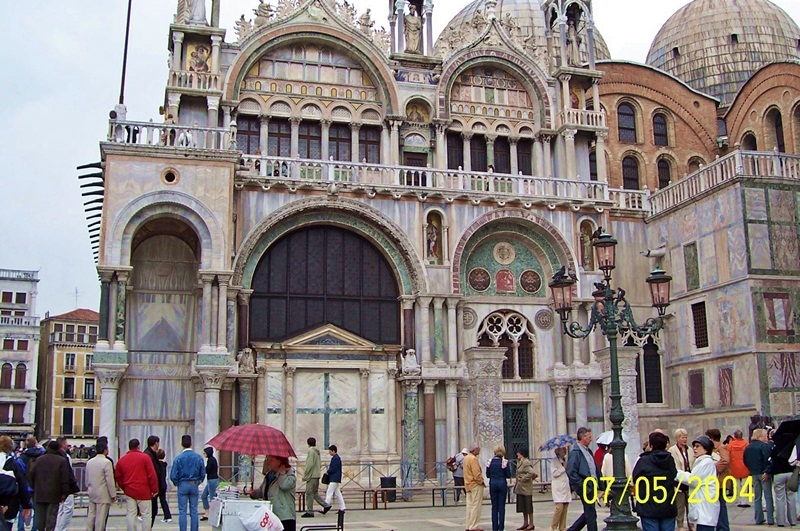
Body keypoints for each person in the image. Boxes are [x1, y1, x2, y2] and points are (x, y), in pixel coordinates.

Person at [632, 431, 678, 531]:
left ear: (651, 445)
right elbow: (674, 475)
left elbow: (635, 478)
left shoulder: (644, 460)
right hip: (668, 505)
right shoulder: (669, 459)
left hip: (648, 506)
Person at [676, 436, 719, 531]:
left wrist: (676, 473)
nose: (694, 448)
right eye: (694, 446)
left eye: (698, 446)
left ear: (705, 449)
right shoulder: (702, 462)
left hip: (705, 507)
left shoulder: (706, 462)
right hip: (703, 507)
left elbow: (693, 480)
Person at [115, 438, 159, 531]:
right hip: (144, 491)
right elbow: (152, 475)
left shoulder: (122, 460)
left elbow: (118, 476)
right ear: (138, 446)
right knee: (146, 515)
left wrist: (124, 487)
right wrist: (154, 489)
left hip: (129, 490)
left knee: (131, 514)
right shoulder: (145, 457)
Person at [27, 440, 70, 531]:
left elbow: (30, 474)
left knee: (40, 518)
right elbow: (65, 479)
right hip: (54, 493)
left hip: (39, 493)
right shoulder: (62, 461)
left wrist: (34, 486)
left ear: (48, 448)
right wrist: (64, 493)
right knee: (51, 518)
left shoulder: (39, 459)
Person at [170, 435, 206, 531]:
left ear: (181, 444)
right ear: (191, 443)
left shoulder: (178, 458)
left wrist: (178, 483)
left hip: (183, 484)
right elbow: (203, 473)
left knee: (182, 511)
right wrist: (198, 481)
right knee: (194, 511)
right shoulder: (198, 457)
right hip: (193, 483)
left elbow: (173, 475)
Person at [566, 427, 599, 531]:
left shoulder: (588, 450)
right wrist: (582, 485)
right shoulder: (576, 452)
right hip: (585, 486)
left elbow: (594, 468)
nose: (591, 439)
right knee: (591, 514)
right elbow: (571, 471)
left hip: (591, 486)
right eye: (589, 437)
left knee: (589, 512)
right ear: (583, 437)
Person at [763, 433, 797, 528]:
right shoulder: (792, 447)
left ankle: (781, 521)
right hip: (790, 473)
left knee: (779, 498)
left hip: (778, 474)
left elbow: (771, 461)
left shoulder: (775, 448)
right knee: (791, 497)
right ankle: (793, 520)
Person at [0, 435, 32, 531]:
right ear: (10, 447)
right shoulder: (13, 464)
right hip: (9, 503)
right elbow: (22, 485)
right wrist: (26, 505)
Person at [743, 428, 773, 525]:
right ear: (760, 437)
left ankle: (758, 518)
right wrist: (767, 471)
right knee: (768, 496)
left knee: (757, 497)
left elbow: (745, 460)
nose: (766, 438)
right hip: (764, 473)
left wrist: (751, 470)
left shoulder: (748, 447)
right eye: (765, 436)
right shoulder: (764, 446)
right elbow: (768, 459)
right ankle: (770, 518)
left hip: (754, 474)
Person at [668, 428, 696, 531]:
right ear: (677, 438)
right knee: (680, 505)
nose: (684, 439)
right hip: (679, 481)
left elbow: (693, 462)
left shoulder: (690, 449)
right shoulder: (672, 450)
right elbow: (675, 465)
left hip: (690, 480)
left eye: (685, 437)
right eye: (682, 437)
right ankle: (680, 525)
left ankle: (691, 524)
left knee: (691, 504)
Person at [85, 441, 117, 531]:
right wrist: (113, 494)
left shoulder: (90, 462)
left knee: (91, 515)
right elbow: (109, 480)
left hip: (92, 491)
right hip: (103, 493)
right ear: (105, 450)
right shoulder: (106, 462)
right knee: (101, 518)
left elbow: (87, 478)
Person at [704, 428, 730, 531]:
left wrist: (713, 468)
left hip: (720, 481)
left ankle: (723, 527)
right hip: (716, 481)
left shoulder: (721, 447)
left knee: (721, 505)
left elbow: (725, 461)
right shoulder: (714, 448)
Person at [17, 437, 43, 531]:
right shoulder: (41, 455)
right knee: (37, 510)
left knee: (23, 509)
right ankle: (34, 528)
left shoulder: (22, 457)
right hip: (37, 486)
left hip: (25, 486)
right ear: (35, 444)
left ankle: (20, 528)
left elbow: (19, 472)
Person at [53, 437, 78, 531]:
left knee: (60, 509)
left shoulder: (55, 455)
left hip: (57, 486)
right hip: (66, 486)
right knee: (68, 509)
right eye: (66, 442)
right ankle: (62, 528)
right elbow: (68, 472)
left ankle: (57, 527)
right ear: (63, 444)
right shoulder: (66, 457)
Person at [300, 438, 330, 518]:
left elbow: (309, 464)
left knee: (309, 493)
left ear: (308, 443)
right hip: (316, 475)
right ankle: (326, 505)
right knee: (315, 493)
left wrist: (305, 475)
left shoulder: (311, 451)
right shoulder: (317, 452)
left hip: (312, 475)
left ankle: (309, 511)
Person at [266, 455, 296, 531]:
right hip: (272, 515)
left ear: (279, 461)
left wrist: (282, 472)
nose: (268, 462)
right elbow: (263, 490)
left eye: (271, 459)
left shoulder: (289, 475)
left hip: (285, 516)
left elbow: (284, 485)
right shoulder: (270, 475)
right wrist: (254, 493)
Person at [486, 445, 511, 531]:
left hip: (493, 484)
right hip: (502, 484)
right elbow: (508, 475)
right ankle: (501, 527)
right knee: (501, 506)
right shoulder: (505, 462)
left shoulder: (490, 461)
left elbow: (487, 475)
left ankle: (494, 527)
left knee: (494, 506)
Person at [463, 444, 485, 531]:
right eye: (478, 449)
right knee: (476, 506)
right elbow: (476, 474)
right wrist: (481, 481)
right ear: (475, 450)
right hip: (475, 485)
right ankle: (474, 526)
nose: (479, 450)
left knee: (470, 506)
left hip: (468, 484)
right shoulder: (473, 459)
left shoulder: (466, 458)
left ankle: (468, 525)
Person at [513, 448, 536, 531]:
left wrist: (523, 478)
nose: (517, 454)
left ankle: (531, 523)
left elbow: (531, 472)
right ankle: (525, 522)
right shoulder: (519, 461)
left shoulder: (526, 462)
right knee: (523, 506)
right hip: (520, 487)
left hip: (526, 487)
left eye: (518, 453)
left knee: (528, 506)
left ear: (522, 453)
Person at [726, 430, 749, 508]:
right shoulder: (746, 444)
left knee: (736, 485)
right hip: (744, 466)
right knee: (745, 484)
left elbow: (728, 456)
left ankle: (739, 500)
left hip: (734, 466)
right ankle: (744, 500)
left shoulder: (731, 445)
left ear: (734, 436)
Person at [143, 436, 162, 527]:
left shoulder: (152, 454)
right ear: (156, 443)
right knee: (151, 510)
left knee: (153, 510)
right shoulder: (148, 455)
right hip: (150, 487)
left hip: (154, 486)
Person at [550, 446, 571, 531]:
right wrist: (563, 468)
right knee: (559, 507)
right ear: (558, 451)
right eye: (563, 449)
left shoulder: (565, 460)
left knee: (565, 507)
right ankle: (553, 526)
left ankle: (562, 527)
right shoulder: (554, 461)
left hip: (565, 486)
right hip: (558, 486)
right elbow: (554, 473)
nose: (565, 451)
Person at [323, 445, 345, 514]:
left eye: (330, 451)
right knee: (338, 493)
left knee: (329, 492)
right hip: (335, 478)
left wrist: (328, 472)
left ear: (333, 451)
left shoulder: (336, 458)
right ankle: (342, 507)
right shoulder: (335, 458)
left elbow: (333, 468)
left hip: (334, 478)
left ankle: (325, 507)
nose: (329, 453)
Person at [200, 447, 219, 521]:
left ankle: (212, 514)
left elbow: (207, 470)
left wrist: (202, 469)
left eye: (204, 453)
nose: (204, 454)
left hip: (212, 480)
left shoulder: (211, 460)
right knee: (203, 496)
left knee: (212, 498)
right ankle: (207, 512)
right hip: (211, 480)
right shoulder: (211, 459)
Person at [155, 449, 172, 523]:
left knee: (154, 501)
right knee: (163, 501)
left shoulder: (157, 464)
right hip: (163, 484)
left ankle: (152, 514)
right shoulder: (164, 464)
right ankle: (167, 516)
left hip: (157, 484)